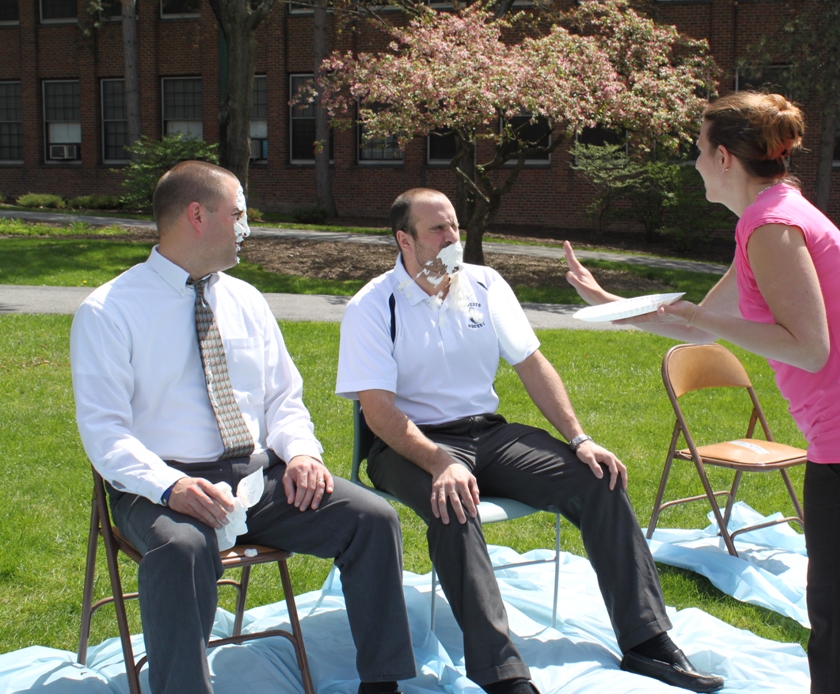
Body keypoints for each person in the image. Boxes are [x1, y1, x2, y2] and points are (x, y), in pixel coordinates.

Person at [564, 91, 840, 694]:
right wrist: (612, 307)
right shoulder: (767, 217)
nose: (692, 162)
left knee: (838, 619)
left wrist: (702, 320)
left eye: (696, 148)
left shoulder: (771, 226)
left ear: (722, 158)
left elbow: (808, 347)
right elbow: (697, 319)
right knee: (838, 614)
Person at [335, 188, 725, 694]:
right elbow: (379, 412)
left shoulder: (484, 284)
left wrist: (580, 438)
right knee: (453, 504)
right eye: (438, 229)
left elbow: (533, 366)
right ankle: (504, 676)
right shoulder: (372, 305)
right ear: (403, 240)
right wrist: (438, 463)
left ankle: (647, 642)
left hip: (487, 433)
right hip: (409, 444)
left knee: (599, 480)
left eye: (454, 226)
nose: (453, 238)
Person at [70, 161, 417, 694]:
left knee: (371, 519)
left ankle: (383, 684)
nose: (247, 227)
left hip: (257, 479)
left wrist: (301, 453)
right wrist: (173, 486)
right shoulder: (108, 312)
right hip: (161, 486)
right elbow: (105, 433)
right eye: (238, 214)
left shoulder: (247, 300)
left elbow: (284, 398)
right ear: (197, 215)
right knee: (182, 549)